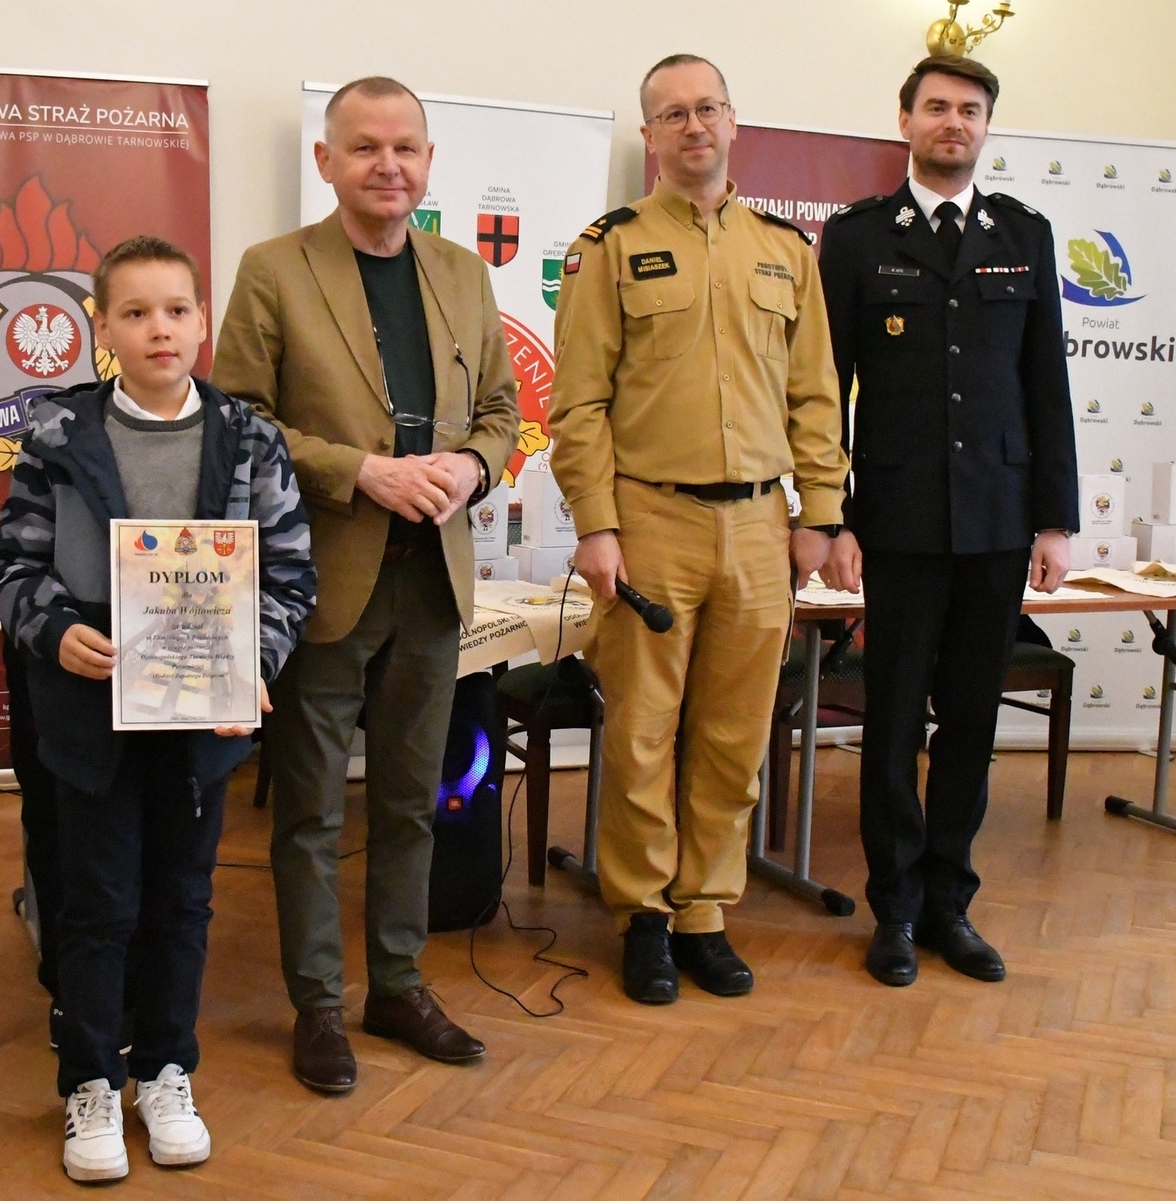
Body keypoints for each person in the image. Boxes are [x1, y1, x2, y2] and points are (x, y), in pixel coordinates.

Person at [211, 76, 519, 1094]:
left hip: (432, 580)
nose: (388, 165)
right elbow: (239, 419)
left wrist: (471, 466)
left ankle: (396, 983)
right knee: (308, 812)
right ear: (327, 161)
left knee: (412, 802)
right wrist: (361, 472)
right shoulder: (274, 270)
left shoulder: (462, 272)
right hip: (323, 580)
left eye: (406, 147)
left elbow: (503, 411)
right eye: (365, 147)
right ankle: (316, 1005)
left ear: (428, 161)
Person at [0, 236, 316, 1181]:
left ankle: (167, 1068)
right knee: (95, 902)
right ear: (103, 329)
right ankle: (91, 1079)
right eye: (134, 313)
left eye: (175, 310)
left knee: (182, 899)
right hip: (90, 708)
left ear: (203, 321)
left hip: (201, 713)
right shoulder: (59, 434)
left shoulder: (248, 437)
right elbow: (13, 564)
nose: (158, 329)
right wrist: (55, 631)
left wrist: (254, 660)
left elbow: (290, 573)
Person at [550, 55, 851, 1005]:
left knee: (733, 733)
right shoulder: (608, 248)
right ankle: (643, 912)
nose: (694, 126)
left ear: (733, 121)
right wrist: (596, 525)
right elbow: (579, 404)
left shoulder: (786, 250)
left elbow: (816, 395)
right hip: (650, 521)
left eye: (707, 108)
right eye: (673, 114)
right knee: (643, 731)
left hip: (761, 526)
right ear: (649, 135)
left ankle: (704, 911)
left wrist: (821, 512)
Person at [817, 56, 1078, 987]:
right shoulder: (857, 237)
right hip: (895, 522)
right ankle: (893, 910)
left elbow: (1046, 384)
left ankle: (949, 905)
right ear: (905, 121)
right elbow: (825, 389)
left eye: (970, 110)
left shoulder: (1023, 234)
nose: (953, 122)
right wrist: (833, 517)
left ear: (986, 126)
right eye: (936, 107)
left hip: (999, 521)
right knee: (892, 723)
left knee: (971, 721)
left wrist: (1055, 520)